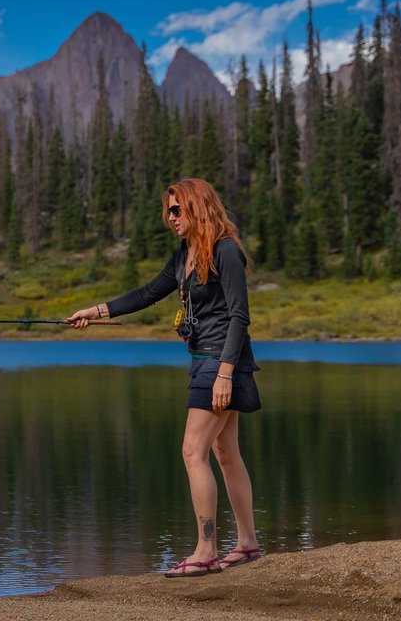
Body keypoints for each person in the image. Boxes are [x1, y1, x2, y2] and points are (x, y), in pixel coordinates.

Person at [66, 177, 262, 578]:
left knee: (193, 451)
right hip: (207, 361)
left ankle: (205, 550)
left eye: (177, 209)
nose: (169, 217)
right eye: (167, 210)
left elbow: (240, 316)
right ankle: (246, 544)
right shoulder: (185, 254)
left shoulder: (225, 250)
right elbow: (147, 293)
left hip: (220, 362)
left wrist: (224, 373)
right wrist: (95, 311)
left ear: (198, 206)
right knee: (225, 452)